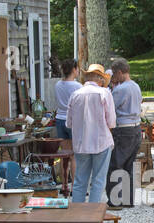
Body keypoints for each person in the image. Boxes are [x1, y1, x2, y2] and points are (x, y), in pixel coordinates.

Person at [66, 64, 115, 203]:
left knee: (80, 181)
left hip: (81, 143)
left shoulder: (75, 94)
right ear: (100, 79)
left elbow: (68, 123)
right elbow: (111, 122)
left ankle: (77, 217)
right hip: (101, 141)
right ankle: (93, 217)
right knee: (98, 181)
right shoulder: (104, 93)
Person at [107, 56, 142, 208]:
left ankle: (115, 200)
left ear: (120, 72)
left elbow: (110, 108)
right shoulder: (136, 86)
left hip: (123, 129)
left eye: (114, 74)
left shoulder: (121, 89)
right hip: (136, 128)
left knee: (115, 164)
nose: (113, 78)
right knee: (129, 165)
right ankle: (128, 200)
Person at [53, 58, 80, 140]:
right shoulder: (78, 86)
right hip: (73, 120)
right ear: (73, 69)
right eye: (77, 68)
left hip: (59, 119)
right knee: (74, 149)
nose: (78, 70)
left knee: (64, 149)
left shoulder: (57, 85)